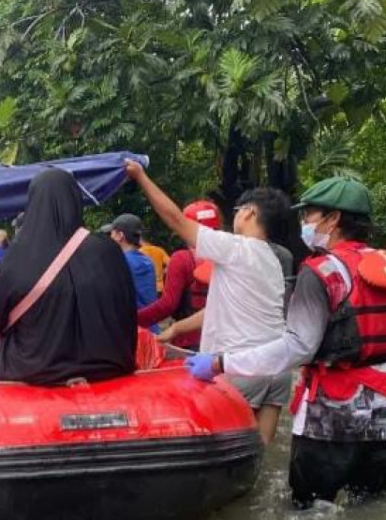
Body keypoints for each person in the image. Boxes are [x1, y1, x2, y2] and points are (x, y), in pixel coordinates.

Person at [186, 177, 386, 508]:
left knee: (308, 515)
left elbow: (296, 347)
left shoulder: (320, 270)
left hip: (330, 417)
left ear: (333, 218)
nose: (305, 224)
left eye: (309, 215)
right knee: (371, 512)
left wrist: (219, 362)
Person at [125, 161, 291, 445]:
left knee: (223, 446)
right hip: (278, 369)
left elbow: (176, 219)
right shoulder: (273, 260)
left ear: (250, 212)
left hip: (240, 366)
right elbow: (217, 309)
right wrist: (176, 331)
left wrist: (141, 177)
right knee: (259, 453)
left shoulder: (235, 248)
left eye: (238, 211)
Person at [0, 168, 137, 385]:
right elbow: (128, 310)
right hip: (108, 372)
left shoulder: (19, 256)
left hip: (31, 373)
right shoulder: (107, 250)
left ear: (33, 203)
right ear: (75, 200)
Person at [137, 201, 221, 351]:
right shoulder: (230, 255)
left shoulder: (182, 259)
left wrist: (133, 319)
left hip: (188, 341)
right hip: (224, 340)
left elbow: (168, 304)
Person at [103, 214, 158, 309]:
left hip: (132, 321)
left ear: (120, 236)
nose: (110, 237)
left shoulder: (120, 262)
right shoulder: (147, 260)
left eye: (111, 233)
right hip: (149, 320)